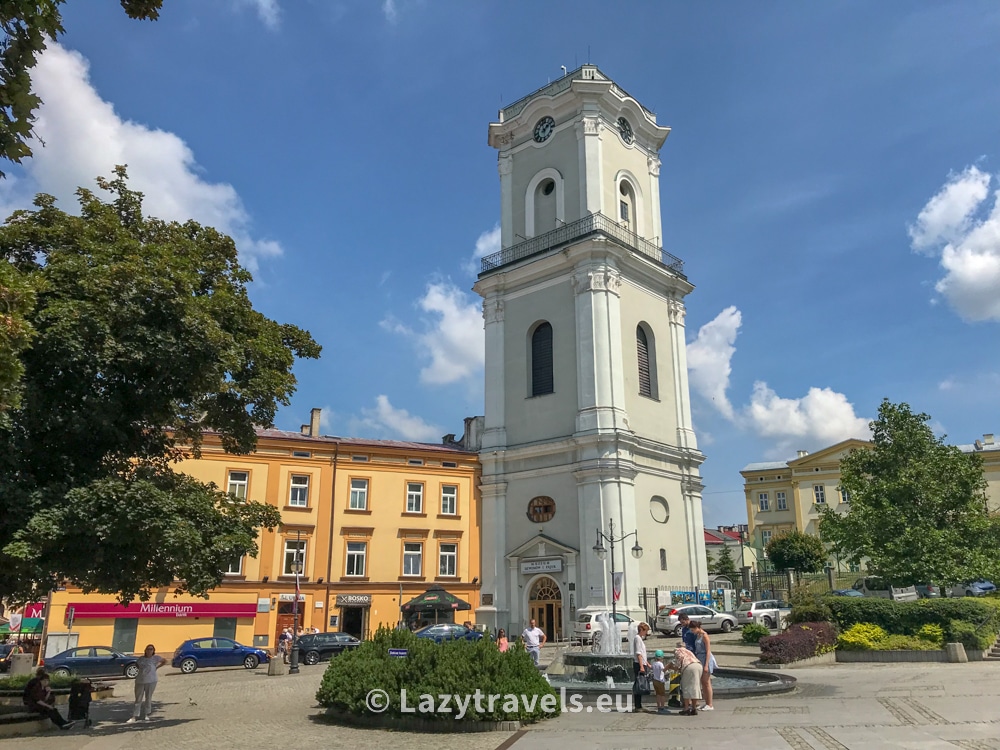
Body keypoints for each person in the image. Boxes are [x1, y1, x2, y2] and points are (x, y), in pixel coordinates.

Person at [126, 644, 166, 723]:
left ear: (153, 651)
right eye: (148, 649)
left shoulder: (156, 658)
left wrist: (157, 667)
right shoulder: (141, 658)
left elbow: (164, 661)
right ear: (145, 650)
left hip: (151, 681)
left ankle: (147, 714)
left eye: (151, 649)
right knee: (138, 699)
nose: (149, 651)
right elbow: (137, 665)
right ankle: (135, 716)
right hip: (140, 681)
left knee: (148, 698)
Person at [664, 644, 701, 716]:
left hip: (689, 667)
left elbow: (678, 664)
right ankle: (694, 708)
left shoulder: (677, 650)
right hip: (698, 666)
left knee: (686, 687)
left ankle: (686, 709)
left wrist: (670, 667)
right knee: (695, 687)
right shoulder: (688, 651)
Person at [689, 620, 715, 711]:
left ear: (697, 628)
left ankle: (710, 704)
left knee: (707, 682)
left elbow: (708, 651)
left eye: (693, 630)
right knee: (703, 683)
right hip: (700, 657)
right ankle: (706, 702)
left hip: (705, 658)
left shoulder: (705, 636)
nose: (692, 632)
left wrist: (706, 665)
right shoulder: (698, 635)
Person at [631, 622, 650, 711]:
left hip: (642, 663)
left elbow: (642, 654)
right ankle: (637, 706)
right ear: (641, 630)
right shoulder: (637, 638)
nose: (646, 633)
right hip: (638, 664)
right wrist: (642, 666)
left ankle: (639, 705)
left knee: (641, 683)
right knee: (639, 683)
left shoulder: (640, 639)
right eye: (645, 631)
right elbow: (638, 653)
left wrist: (647, 663)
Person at [651, 649, 669, 714]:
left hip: (655, 681)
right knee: (662, 694)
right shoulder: (661, 664)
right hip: (660, 681)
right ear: (662, 657)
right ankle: (662, 707)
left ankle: (658, 707)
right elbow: (664, 670)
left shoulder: (654, 663)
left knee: (658, 694)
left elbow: (651, 667)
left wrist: (647, 663)